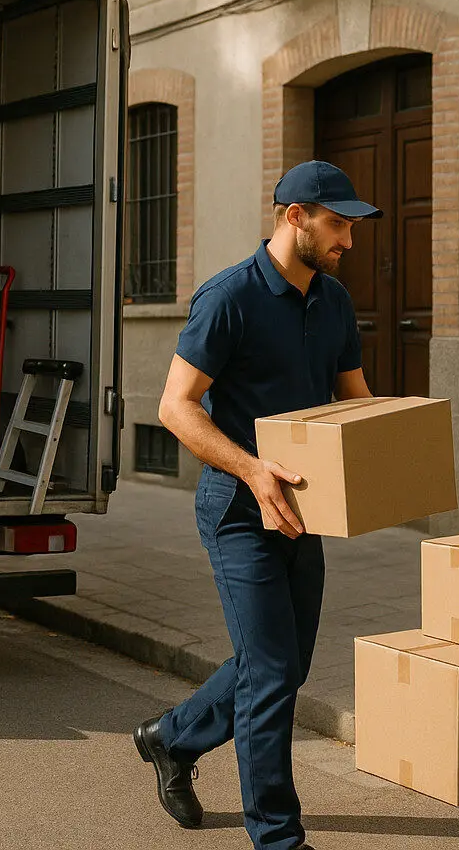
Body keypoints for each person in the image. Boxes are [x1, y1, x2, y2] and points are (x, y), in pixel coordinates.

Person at [133, 160, 380, 850]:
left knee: (283, 663)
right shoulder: (229, 297)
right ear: (294, 215)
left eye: (353, 229)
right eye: (338, 225)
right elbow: (174, 407)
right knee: (271, 670)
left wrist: (398, 440)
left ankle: (170, 740)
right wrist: (250, 470)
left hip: (305, 506)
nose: (349, 242)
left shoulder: (331, 302)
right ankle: (277, 837)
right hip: (238, 507)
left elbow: (356, 399)